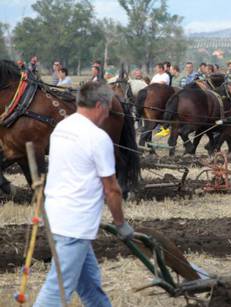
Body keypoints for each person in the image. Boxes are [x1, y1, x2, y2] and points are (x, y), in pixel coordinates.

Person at [34, 82, 134, 307]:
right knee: (57, 290)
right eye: (108, 108)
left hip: (55, 216)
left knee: (90, 287)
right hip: (75, 225)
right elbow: (112, 189)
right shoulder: (97, 138)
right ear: (99, 105)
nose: (108, 113)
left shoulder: (62, 128)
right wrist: (121, 224)